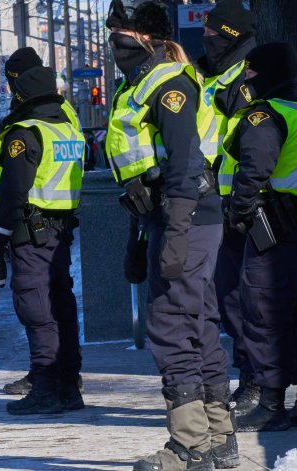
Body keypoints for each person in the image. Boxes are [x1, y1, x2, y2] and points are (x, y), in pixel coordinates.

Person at [104, 1, 237, 469]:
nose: (113, 41)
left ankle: (191, 444)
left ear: (143, 37)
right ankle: (219, 437)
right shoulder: (141, 83)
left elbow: (182, 165)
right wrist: (139, 238)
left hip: (187, 217)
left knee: (172, 326)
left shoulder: (169, 84)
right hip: (174, 217)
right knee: (197, 323)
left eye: (118, 32)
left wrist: (176, 232)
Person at [0, 61, 84, 417]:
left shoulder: (26, 132)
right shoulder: (69, 129)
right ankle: (69, 385)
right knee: (61, 306)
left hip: (31, 232)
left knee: (37, 308)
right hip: (60, 231)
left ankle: (45, 387)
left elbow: (13, 192)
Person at [222, 42, 297, 432]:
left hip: (276, 232)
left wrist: (240, 212)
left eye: (249, 73)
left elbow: (254, 170)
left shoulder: (265, 116)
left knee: (264, 312)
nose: (245, 80)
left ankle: (271, 403)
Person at [198, 0, 260, 415]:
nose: (208, 39)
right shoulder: (209, 75)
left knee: (246, 298)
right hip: (213, 200)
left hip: (246, 202)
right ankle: (250, 376)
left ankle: (257, 381)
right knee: (227, 294)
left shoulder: (249, 76)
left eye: (215, 33)